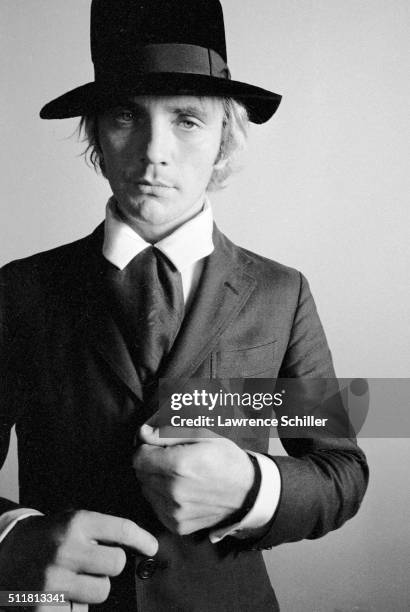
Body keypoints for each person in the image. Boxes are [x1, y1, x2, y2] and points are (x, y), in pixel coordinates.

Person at [0, 1, 368, 610]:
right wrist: (11, 540)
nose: (154, 152)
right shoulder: (19, 292)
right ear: (94, 131)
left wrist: (257, 487)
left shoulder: (282, 292)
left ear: (226, 132)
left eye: (188, 120)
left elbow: (341, 471)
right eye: (125, 116)